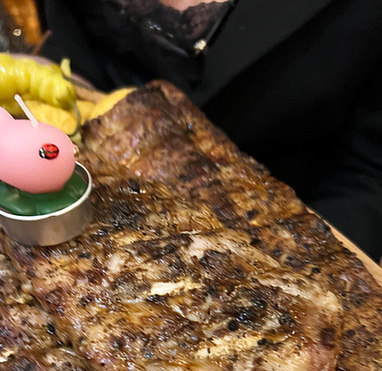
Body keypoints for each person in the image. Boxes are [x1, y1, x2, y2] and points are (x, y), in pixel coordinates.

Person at [41, 0, 382, 262]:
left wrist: (313, 261)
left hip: (296, 223)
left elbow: (371, 171)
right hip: (94, 199)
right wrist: (58, 80)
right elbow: (75, 32)